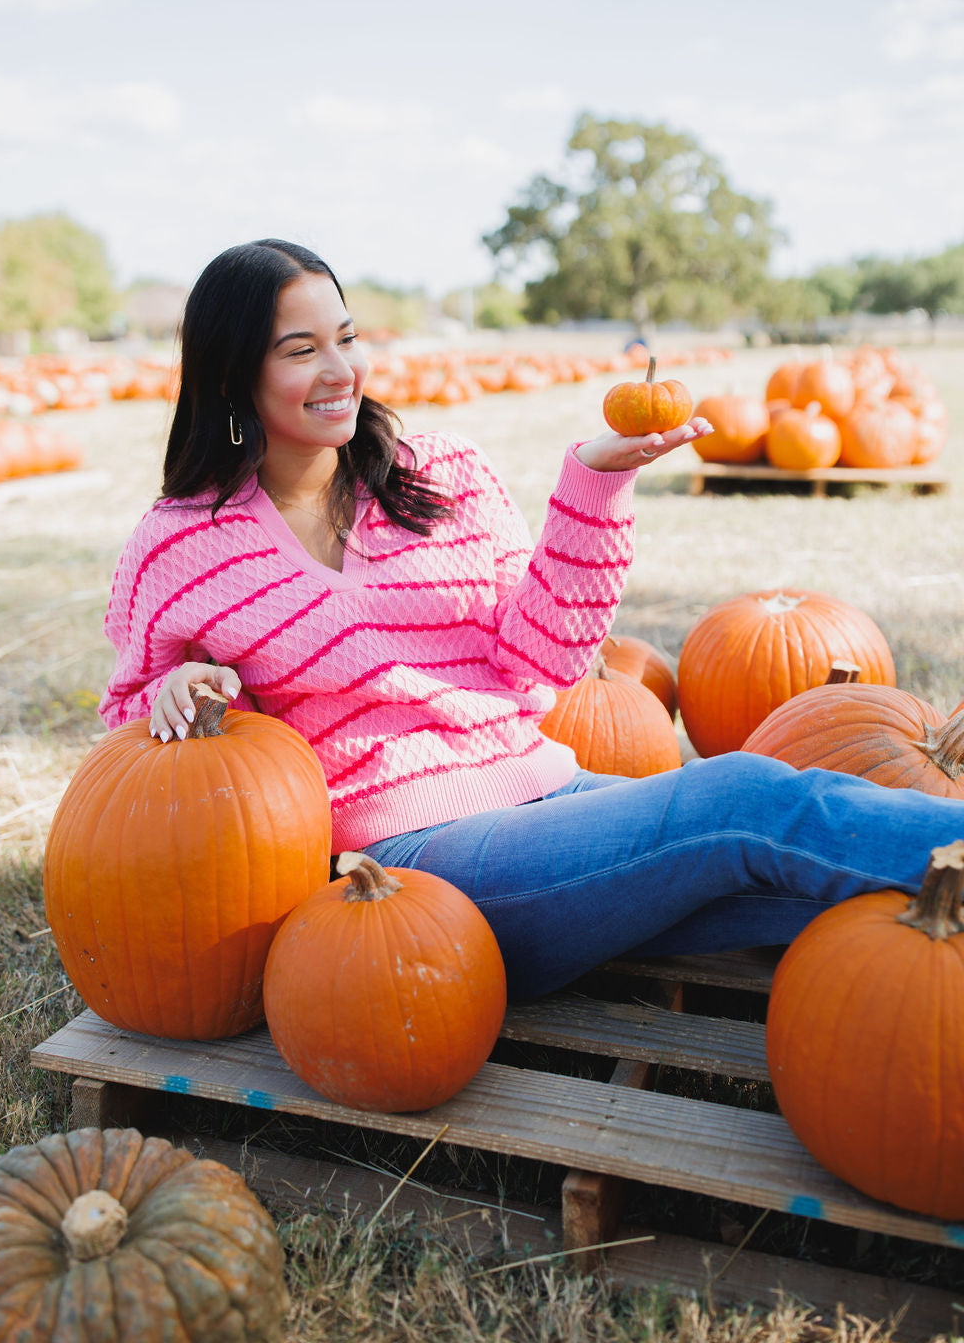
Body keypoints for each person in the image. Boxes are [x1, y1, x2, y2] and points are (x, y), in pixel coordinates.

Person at [100, 238, 962, 1002]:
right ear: (230, 375)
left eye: (348, 337)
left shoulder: (440, 475)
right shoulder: (180, 545)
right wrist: (180, 692)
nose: (341, 371)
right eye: (301, 350)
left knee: (792, 868)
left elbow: (543, 658)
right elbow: (138, 753)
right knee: (740, 797)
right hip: (408, 870)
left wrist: (596, 482)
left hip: (549, 795)